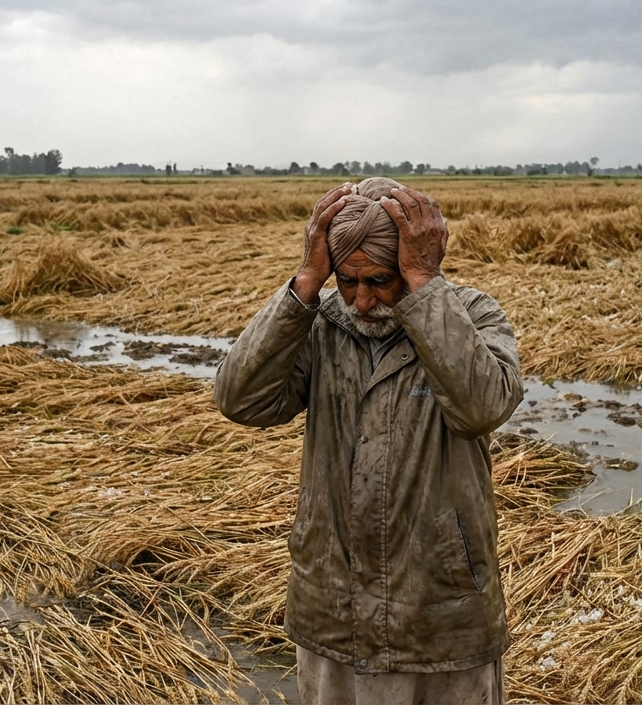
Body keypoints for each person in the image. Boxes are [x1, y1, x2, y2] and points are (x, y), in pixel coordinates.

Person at [214, 177, 524, 704]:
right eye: (347, 280)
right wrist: (306, 282)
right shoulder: (321, 326)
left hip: (439, 609)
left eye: (380, 280)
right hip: (332, 606)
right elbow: (241, 400)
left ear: (410, 263)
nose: (361, 300)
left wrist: (425, 287)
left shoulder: (470, 315)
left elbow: (483, 408)